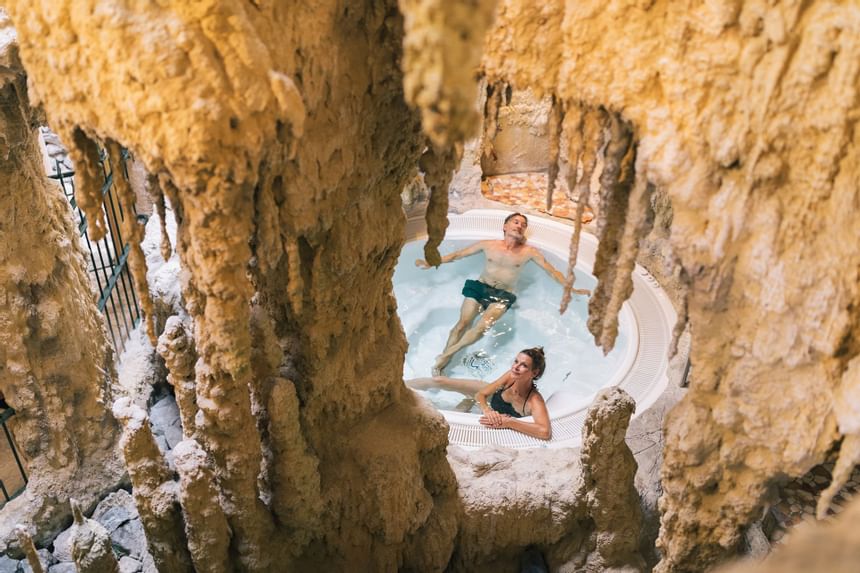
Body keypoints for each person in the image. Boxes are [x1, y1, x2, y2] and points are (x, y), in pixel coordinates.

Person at [415, 212, 589, 374]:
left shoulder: (529, 252)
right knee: (462, 324)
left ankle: (446, 355)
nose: (519, 225)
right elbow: (458, 255)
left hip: (502, 296)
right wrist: (431, 262)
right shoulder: (488, 245)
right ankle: (443, 361)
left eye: (523, 224)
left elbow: (552, 271)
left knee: (481, 328)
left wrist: (571, 288)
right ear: (505, 226)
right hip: (480, 287)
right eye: (516, 222)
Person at [406, 347, 551, 440]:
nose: (516, 367)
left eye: (523, 365)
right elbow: (481, 394)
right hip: (490, 399)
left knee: (456, 415)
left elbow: (544, 431)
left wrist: (509, 422)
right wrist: (487, 410)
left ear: (534, 373)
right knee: (440, 381)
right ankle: (401, 385)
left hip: (499, 417)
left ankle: (466, 403)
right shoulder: (511, 375)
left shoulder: (534, 401)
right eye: (516, 361)